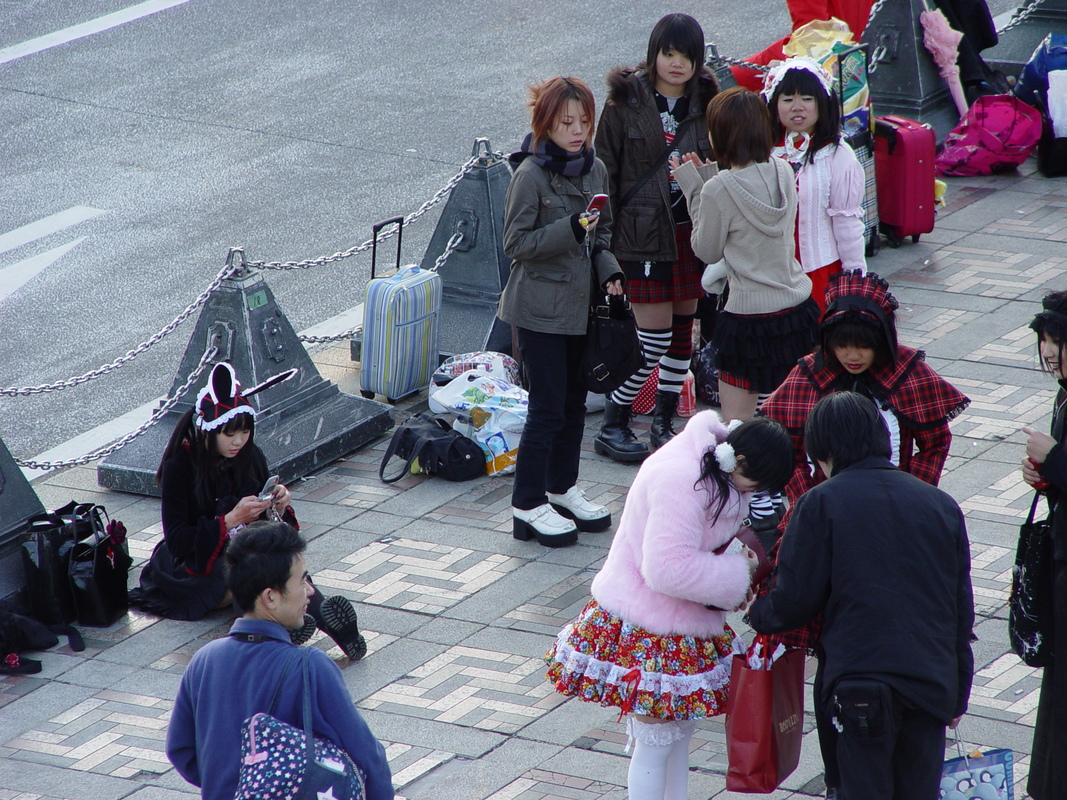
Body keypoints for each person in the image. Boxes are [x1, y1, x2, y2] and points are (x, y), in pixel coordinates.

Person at [545, 411, 794, 800]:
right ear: (738, 461)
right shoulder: (683, 480)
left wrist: (732, 559)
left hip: (676, 619)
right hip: (651, 623)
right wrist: (734, 573)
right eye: (754, 483)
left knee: (676, 735)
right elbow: (666, 569)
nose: (752, 494)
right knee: (658, 740)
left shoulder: (713, 469)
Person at [749, 392, 974, 800]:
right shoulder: (940, 504)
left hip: (860, 683)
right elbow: (960, 607)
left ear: (823, 449)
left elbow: (795, 600)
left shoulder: (819, 503)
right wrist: (959, 689)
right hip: (931, 679)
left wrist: (756, 610)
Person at [130, 362, 366, 660]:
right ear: (209, 430)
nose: (238, 441)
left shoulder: (249, 454)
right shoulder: (180, 466)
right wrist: (229, 521)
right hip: (193, 568)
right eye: (229, 434)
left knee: (274, 556)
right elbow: (177, 541)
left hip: (243, 548)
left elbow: (267, 521)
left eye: (243, 432)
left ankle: (329, 625)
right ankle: (290, 622)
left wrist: (278, 501)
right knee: (247, 567)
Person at [166, 521, 393, 800]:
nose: (310, 591)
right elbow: (368, 757)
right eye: (302, 580)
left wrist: (237, 783)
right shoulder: (311, 667)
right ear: (270, 597)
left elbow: (181, 750)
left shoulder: (204, 661)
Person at [497, 76, 623, 547]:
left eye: (584, 121)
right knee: (547, 410)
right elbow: (515, 244)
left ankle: (561, 488)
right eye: (566, 121)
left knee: (574, 405)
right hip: (538, 312)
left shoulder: (596, 170)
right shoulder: (529, 174)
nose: (577, 130)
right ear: (545, 122)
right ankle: (527, 504)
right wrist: (568, 228)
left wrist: (610, 270)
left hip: (581, 308)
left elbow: (603, 235)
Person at [592, 13, 720, 460]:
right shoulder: (624, 102)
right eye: (669, 53)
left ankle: (663, 422)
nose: (677, 63)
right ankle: (614, 420)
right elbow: (602, 170)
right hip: (640, 234)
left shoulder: (708, 103)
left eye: (686, 55)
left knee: (684, 332)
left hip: (692, 233)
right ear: (655, 54)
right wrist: (602, 240)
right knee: (652, 343)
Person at [763, 271, 969, 512]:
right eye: (842, 346)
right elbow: (789, 450)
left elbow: (936, 442)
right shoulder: (809, 373)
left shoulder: (907, 372)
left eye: (863, 346)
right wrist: (807, 501)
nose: (853, 356)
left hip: (895, 503)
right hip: (826, 505)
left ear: (881, 341)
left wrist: (911, 494)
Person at [672, 86, 820, 423]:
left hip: (747, 320)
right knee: (792, 416)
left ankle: (744, 477)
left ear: (721, 134)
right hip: (795, 310)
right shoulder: (783, 169)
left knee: (737, 425)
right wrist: (710, 182)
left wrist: (696, 189)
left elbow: (706, 250)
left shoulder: (717, 190)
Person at [763, 57, 866, 312]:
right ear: (774, 105)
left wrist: (856, 281)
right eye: (787, 100)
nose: (797, 107)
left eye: (807, 99)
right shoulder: (764, 150)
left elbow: (847, 222)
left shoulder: (837, 154)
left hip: (819, 273)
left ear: (822, 104)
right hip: (769, 274)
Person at [1021, 289, 1067, 800]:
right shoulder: (1063, 394)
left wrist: (1054, 461)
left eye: (1058, 341)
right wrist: (1045, 478)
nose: (1048, 352)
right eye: (1045, 341)